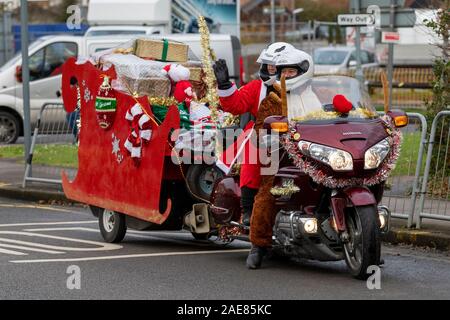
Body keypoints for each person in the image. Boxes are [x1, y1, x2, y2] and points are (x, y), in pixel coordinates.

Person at [246, 47, 315, 269]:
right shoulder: (273, 99)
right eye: (283, 72)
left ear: (303, 71)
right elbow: (259, 131)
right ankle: (258, 245)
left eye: (291, 72)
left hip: (314, 155)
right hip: (281, 158)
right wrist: (270, 138)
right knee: (269, 192)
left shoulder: (315, 98)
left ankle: (365, 238)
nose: (286, 76)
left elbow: (327, 120)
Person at [213, 42, 294, 226]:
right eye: (269, 66)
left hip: (295, 135)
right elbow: (236, 105)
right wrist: (225, 85)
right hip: (264, 137)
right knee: (253, 147)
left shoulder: (300, 87)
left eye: (276, 66)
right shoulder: (257, 87)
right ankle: (248, 208)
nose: (271, 69)